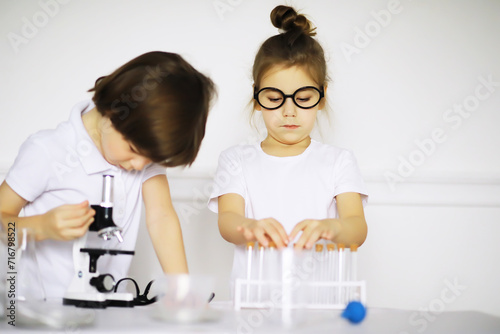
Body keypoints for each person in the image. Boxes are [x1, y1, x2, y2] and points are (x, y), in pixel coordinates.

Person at [0, 51, 216, 299]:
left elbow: (162, 218)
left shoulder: (143, 151)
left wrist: (182, 292)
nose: (140, 165)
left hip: (106, 309)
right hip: (40, 311)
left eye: (152, 160)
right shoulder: (48, 151)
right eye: (134, 151)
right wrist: (41, 227)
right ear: (114, 114)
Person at [208, 6, 368, 286]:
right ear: (257, 98)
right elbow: (227, 221)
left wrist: (332, 227)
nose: (289, 111)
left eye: (303, 98)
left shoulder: (339, 161)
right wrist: (250, 227)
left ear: (321, 97)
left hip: (320, 304)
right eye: (274, 98)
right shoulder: (236, 160)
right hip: (253, 303)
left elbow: (357, 227)